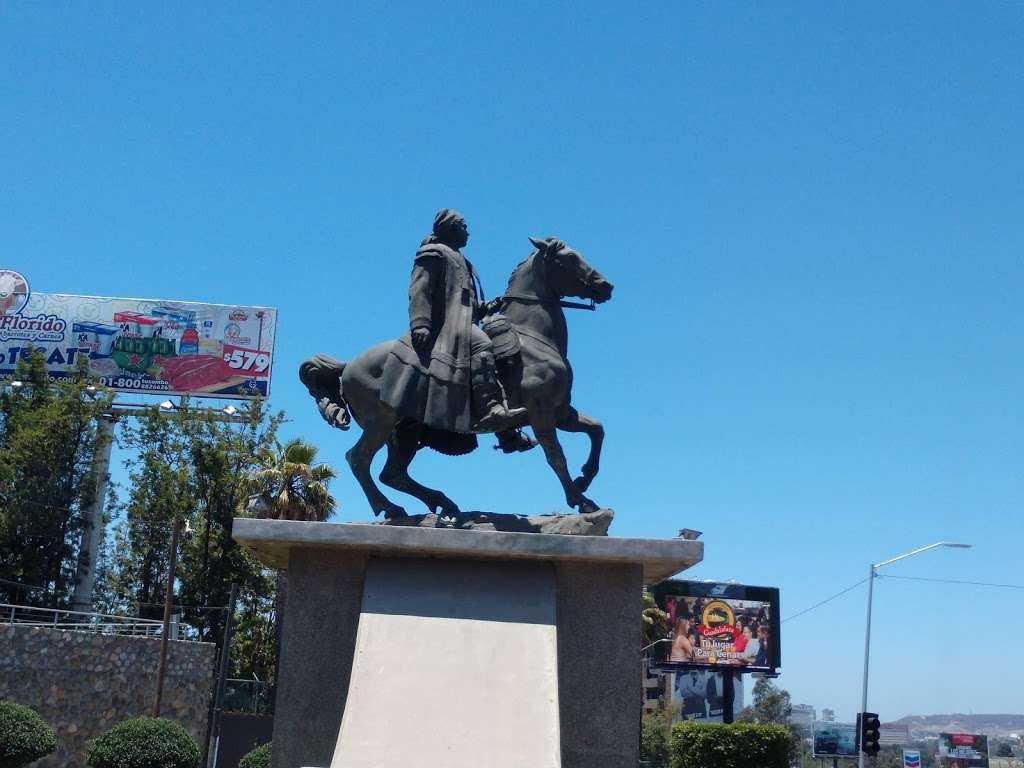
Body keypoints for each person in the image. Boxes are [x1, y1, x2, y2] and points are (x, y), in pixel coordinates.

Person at [379, 209, 533, 452]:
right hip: (445, 326)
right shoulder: (433, 253)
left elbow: (463, 303)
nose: (468, 232)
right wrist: (420, 323)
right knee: (483, 343)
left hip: (463, 323)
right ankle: (492, 408)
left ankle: (507, 433)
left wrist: (486, 307)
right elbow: (419, 290)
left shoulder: (461, 260)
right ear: (450, 229)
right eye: (463, 226)